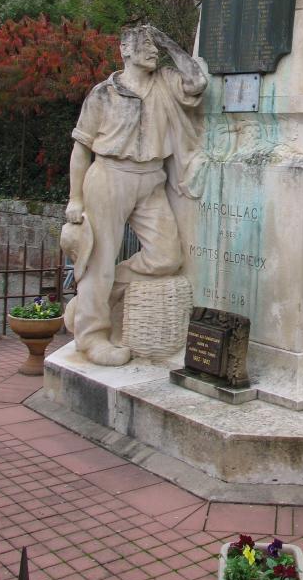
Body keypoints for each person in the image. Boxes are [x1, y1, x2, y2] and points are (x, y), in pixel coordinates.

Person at [63, 23, 207, 365]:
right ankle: (93, 337)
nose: (152, 50)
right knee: (99, 259)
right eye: (145, 44)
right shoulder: (104, 93)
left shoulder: (167, 82)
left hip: (151, 178)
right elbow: (81, 148)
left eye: (154, 45)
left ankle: (91, 301)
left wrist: (167, 40)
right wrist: (75, 199)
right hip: (109, 175)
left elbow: (197, 82)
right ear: (125, 50)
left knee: (167, 257)